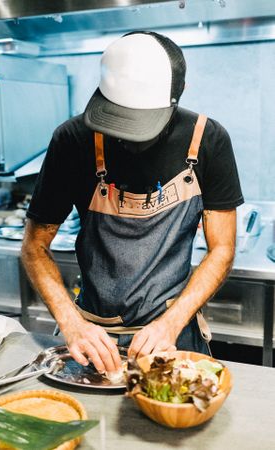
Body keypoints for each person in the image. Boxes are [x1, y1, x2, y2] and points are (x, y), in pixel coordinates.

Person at [21, 31, 244, 375]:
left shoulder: (208, 140)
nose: (126, 138)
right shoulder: (73, 141)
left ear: (174, 99)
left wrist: (170, 324)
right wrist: (72, 324)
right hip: (91, 336)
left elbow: (222, 249)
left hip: (173, 333)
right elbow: (34, 247)